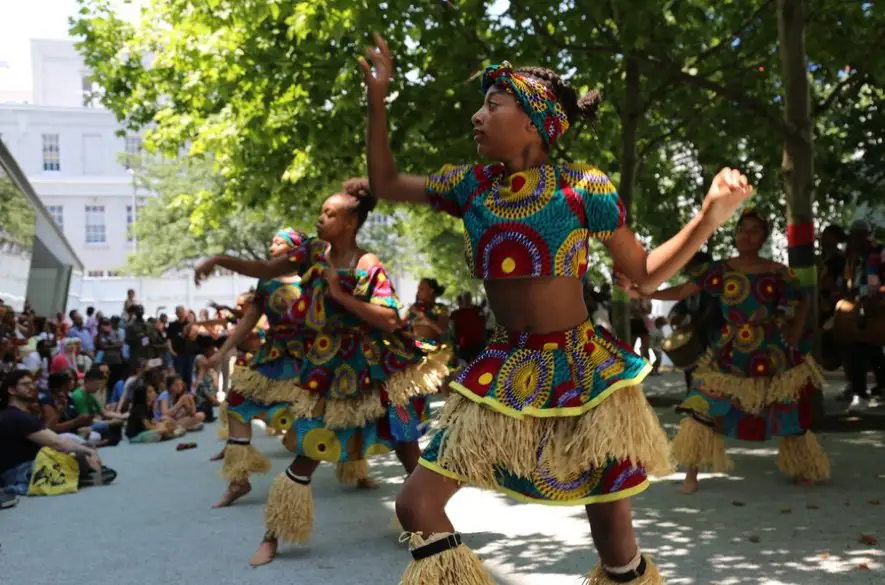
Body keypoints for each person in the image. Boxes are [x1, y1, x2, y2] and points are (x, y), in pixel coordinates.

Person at [359, 35, 751, 584]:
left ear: (534, 122)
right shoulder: (470, 188)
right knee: (415, 504)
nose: (477, 115)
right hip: (500, 373)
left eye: (492, 104)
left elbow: (643, 271)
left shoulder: (581, 189)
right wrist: (378, 102)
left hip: (584, 376)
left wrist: (709, 217)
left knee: (614, 537)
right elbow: (385, 182)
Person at [194, 180, 447, 567]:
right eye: (322, 211)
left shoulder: (367, 263)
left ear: (350, 222)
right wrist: (219, 261)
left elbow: (390, 318)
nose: (320, 217)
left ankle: (430, 530)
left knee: (406, 447)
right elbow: (263, 269)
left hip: (377, 369)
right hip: (330, 368)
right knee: (308, 450)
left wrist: (341, 294)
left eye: (330, 213)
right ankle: (273, 535)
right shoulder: (311, 253)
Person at [629, 209, 830, 493]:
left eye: (754, 230)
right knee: (702, 402)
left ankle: (803, 466)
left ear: (763, 237)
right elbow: (684, 290)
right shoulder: (720, 270)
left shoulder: (778, 271)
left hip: (772, 350)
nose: (746, 235)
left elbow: (802, 301)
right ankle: (691, 474)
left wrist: (796, 330)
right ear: (735, 235)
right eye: (742, 229)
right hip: (730, 348)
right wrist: (647, 294)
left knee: (787, 405)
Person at [1, 370, 110, 495]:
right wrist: (89, 452)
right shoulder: (15, 416)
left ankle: (83, 474)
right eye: (25, 384)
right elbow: (56, 442)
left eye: (32, 383)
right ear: (11, 390)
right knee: (76, 453)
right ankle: (83, 475)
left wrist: (58, 413)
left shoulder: (20, 414)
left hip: (27, 466)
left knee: (80, 448)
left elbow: (49, 432)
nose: (31, 387)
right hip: (21, 472)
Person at [840, 219, 885, 411]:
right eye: (853, 237)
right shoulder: (854, 258)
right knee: (868, 348)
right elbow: (851, 283)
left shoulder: (881, 253)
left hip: (880, 307)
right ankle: (870, 389)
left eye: (860, 236)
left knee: (863, 347)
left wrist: (877, 297)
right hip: (861, 308)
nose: (856, 241)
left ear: (868, 236)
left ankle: (860, 393)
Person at [69, 367, 128, 445]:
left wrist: (122, 416)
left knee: (116, 423)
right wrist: (109, 422)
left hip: (92, 423)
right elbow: (85, 420)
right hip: (83, 426)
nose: (99, 388)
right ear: (89, 381)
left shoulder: (90, 395)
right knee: (105, 427)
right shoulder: (79, 396)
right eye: (97, 385)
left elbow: (104, 412)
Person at [95, 318, 125, 400]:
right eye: (104, 325)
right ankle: (106, 400)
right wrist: (114, 345)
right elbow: (102, 346)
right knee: (107, 383)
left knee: (117, 382)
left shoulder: (115, 333)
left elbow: (120, 345)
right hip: (107, 363)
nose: (106, 327)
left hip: (118, 362)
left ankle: (115, 399)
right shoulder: (100, 335)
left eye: (107, 325)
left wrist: (110, 345)